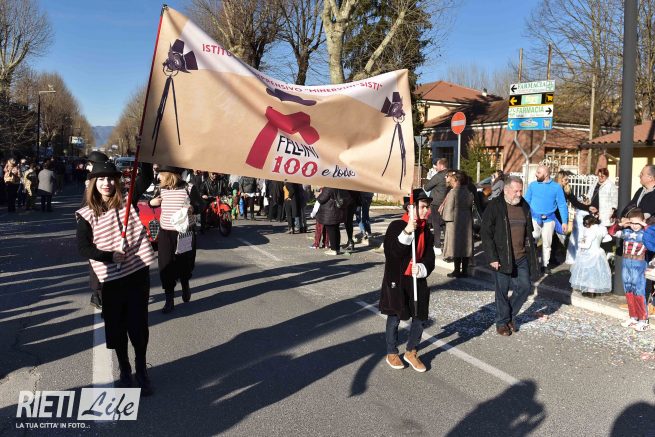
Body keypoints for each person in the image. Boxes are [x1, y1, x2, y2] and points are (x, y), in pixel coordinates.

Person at [75, 161, 156, 394]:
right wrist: (109, 256)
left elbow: (146, 177)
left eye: (111, 178)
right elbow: (83, 248)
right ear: (93, 183)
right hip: (111, 279)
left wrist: (145, 151)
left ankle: (141, 369)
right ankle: (124, 368)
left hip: (136, 274)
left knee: (138, 326)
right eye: (101, 179)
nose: (107, 183)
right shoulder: (86, 214)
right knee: (117, 328)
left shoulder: (127, 200)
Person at [379, 188, 435, 372]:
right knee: (395, 315)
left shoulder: (426, 230)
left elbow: (430, 257)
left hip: (416, 279)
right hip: (397, 279)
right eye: (423, 207)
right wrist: (407, 231)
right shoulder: (396, 226)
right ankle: (391, 351)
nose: (427, 211)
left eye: (427, 207)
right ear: (411, 208)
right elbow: (392, 253)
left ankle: (411, 351)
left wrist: (423, 268)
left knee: (420, 315)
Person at [480, 176, 540, 336]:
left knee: (525, 287)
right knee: (502, 291)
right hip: (501, 257)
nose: (519, 194)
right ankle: (502, 323)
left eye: (521, 191)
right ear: (506, 190)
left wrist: (531, 250)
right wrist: (492, 257)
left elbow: (528, 230)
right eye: (516, 191)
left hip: (521, 256)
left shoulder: (524, 205)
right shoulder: (495, 206)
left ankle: (509, 316)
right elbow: (486, 233)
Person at [149, 166, 203, 314]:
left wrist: (193, 208)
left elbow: (201, 205)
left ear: (169, 175)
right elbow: (151, 202)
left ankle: (185, 284)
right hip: (165, 233)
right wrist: (151, 203)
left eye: (161, 174)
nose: (159, 176)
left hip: (184, 232)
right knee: (165, 265)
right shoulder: (161, 189)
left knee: (184, 263)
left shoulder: (188, 188)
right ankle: (169, 299)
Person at [524, 165, 568, 275]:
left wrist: (564, 221)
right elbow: (526, 202)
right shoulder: (533, 185)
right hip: (534, 218)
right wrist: (523, 217)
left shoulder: (556, 187)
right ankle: (531, 264)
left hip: (549, 219)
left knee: (547, 243)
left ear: (546, 174)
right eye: (537, 172)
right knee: (532, 241)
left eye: (539, 172)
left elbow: (562, 205)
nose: (536, 174)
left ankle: (545, 265)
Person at [616, 209, 650, 332]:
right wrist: (621, 224)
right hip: (626, 264)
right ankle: (633, 317)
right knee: (628, 289)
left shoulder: (645, 234)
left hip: (638, 264)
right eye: (632, 223)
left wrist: (644, 224)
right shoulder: (626, 232)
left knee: (638, 290)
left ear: (642, 222)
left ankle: (643, 320)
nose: (635, 226)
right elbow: (611, 232)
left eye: (637, 223)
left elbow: (653, 235)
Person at [569, 215, 612, 295]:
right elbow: (609, 238)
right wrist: (600, 241)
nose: (585, 225)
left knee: (588, 272)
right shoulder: (601, 228)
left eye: (585, 223)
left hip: (589, 253)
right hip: (598, 252)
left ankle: (589, 290)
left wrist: (579, 244)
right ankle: (593, 290)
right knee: (596, 272)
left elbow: (587, 245)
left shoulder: (590, 231)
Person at [441, 170, 473, 278]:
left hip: (455, 221)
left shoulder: (453, 192)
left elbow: (449, 208)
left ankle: (456, 270)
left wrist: (445, 219)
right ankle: (464, 271)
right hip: (467, 220)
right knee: (466, 246)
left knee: (456, 246)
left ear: (456, 180)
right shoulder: (468, 192)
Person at [423, 158, 449, 256]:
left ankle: (437, 246)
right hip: (448, 202)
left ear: (441, 166)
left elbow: (427, 187)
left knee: (436, 224)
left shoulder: (438, 175)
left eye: (437, 165)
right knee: (445, 224)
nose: (436, 167)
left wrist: (431, 178)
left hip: (437, 202)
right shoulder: (451, 174)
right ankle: (448, 246)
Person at [316, 187, 346, 255]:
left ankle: (333, 249)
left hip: (330, 212)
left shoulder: (328, 187)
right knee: (336, 230)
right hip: (337, 211)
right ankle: (337, 248)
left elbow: (321, 199)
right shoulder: (339, 186)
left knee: (331, 231)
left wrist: (319, 194)